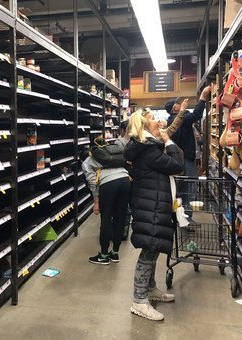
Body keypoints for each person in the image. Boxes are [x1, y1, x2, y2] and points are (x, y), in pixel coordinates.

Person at [124, 111, 184, 321]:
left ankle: (150, 289)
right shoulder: (150, 151)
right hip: (152, 206)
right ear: (144, 126)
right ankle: (139, 301)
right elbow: (178, 166)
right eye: (152, 119)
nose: (158, 122)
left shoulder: (149, 147)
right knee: (148, 252)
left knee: (154, 248)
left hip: (153, 204)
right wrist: (168, 141)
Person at [82, 133, 130, 265]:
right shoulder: (112, 152)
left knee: (106, 219)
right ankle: (115, 253)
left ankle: (103, 255)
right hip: (125, 181)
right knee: (120, 218)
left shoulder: (87, 162)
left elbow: (93, 183)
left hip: (109, 185)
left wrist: (96, 203)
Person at [165, 87, 210, 218]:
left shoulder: (170, 121)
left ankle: (178, 217)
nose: (180, 104)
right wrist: (202, 97)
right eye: (177, 103)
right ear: (175, 108)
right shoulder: (182, 118)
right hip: (186, 160)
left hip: (176, 159)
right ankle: (186, 219)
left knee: (179, 189)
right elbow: (197, 115)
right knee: (189, 188)